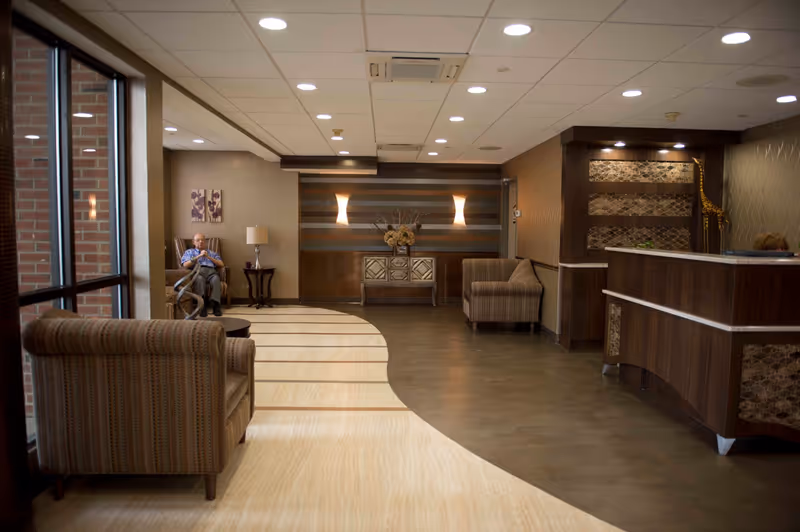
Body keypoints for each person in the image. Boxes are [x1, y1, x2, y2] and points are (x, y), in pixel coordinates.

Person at [181, 233, 224, 317]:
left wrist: (209, 257)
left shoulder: (211, 253)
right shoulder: (189, 252)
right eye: (198, 240)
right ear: (193, 242)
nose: (201, 242)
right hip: (198, 271)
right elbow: (185, 264)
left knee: (216, 279)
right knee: (200, 280)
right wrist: (199, 256)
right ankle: (202, 305)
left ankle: (216, 305)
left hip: (211, 271)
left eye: (203, 240)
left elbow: (221, 264)